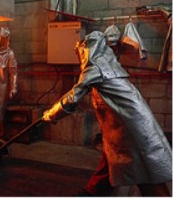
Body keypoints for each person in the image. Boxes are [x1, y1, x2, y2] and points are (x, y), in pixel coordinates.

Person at [42, 31, 172, 196]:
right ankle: (94, 190)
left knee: (143, 171)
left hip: (130, 128)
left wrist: (49, 115)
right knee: (113, 157)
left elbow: (72, 98)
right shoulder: (109, 65)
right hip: (128, 125)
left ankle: (95, 191)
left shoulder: (95, 67)